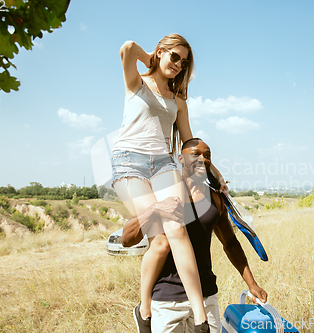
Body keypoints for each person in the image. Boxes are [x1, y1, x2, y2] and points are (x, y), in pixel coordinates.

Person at [111, 34, 227, 333]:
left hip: (163, 162)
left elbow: (188, 140)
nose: (178, 64)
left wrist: (213, 170)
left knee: (179, 233)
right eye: (174, 57)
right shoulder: (136, 82)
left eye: (183, 62)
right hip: (129, 162)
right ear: (161, 52)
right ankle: (144, 310)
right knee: (160, 243)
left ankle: (201, 318)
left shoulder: (178, 101)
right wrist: (150, 56)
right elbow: (126, 48)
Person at [121, 138, 267, 333]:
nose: (203, 159)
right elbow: (126, 239)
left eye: (207, 156)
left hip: (206, 296)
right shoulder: (163, 194)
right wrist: (155, 209)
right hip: (167, 299)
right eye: (196, 154)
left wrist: (252, 283)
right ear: (181, 158)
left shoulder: (215, 198)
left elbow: (230, 243)